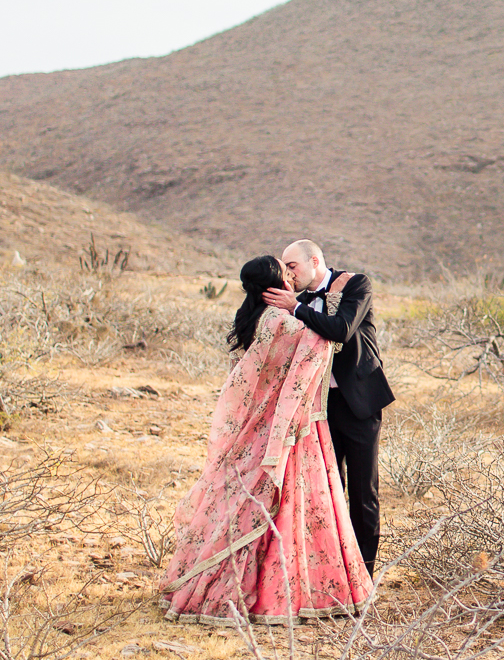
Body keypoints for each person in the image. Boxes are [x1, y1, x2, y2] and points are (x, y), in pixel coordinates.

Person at [158, 254, 373, 624]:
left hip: (257, 426)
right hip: (288, 427)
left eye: (294, 267)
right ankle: (285, 590)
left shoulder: (252, 320)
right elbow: (326, 340)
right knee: (287, 506)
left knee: (246, 505)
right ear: (277, 283)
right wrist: (304, 310)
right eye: (284, 269)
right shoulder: (283, 322)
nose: (292, 274)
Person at [262, 240, 393, 574]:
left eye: (292, 266)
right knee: (326, 490)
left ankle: (363, 574)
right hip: (319, 407)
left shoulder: (355, 285)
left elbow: (343, 330)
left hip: (360, 403)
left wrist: (296, 308)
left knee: (363, 493)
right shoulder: (296, 301)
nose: (288, 273)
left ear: (314, 261)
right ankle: (329, 570)